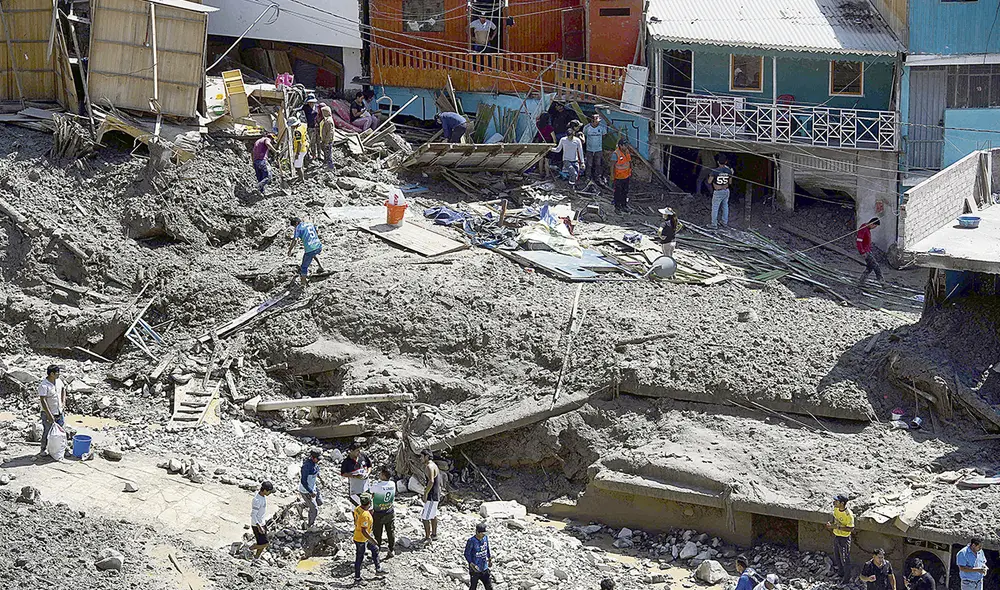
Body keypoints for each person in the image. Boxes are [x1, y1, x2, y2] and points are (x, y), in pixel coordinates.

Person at [352, 494, 385, 585]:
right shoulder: (365, 515)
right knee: (359, 558)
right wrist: (372, 539)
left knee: (375, 549)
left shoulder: (358, 508)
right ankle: (357, 579)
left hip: (359, 536)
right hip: (361, 539)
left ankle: (378, 569)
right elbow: (364, 531)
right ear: (369, 503)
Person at [826, 493, 855, 584]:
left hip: (844, 538)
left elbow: (851, 528)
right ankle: (840, 573)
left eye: (836, 501)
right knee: (837, 556)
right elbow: (834, 519)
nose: (834, 502)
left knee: (845, 558)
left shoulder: (848, 515)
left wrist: (838, 528)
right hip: (837, 536)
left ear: (842, 503)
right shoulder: (836, 509)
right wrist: (830, 524)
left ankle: (846, 578)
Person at [288, 216, 324, 288]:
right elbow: (316, 230)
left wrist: (290, 250)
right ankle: (321, 267)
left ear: (296, 223)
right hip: (319, 246)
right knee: (313, 254)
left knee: (304, 267)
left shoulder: (298, 228)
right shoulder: (309, 224)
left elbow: (295, 240)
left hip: (310, 249)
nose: (295, 227)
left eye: (294, 226)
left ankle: (303, 284)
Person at [38, 364, 65, 457]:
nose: (59, 374)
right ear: (51, 374)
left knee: (60, 431)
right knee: (47, 431)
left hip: (59, 411)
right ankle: (43, 449)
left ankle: (59, 448)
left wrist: (63, 402)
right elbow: (43, 400)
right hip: (48, 413)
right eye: (57, 372)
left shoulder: (58, 381)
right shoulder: (44, 385)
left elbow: (63, 389)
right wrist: (49, 415)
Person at [370, 467, 396, 558]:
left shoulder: (377, 485)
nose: (379, 475)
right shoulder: (392, 484)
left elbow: (371, 491)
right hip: (389, 510)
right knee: (390, 531)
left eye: (380, 473)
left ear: (384, 476)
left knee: (377, 532)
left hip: (378, 512)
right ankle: (391, 549)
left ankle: (377, 550)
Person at [340, 441, 372, 506]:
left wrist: (367, 473)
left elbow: (369, 466)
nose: (359, 452)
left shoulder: (363, 456)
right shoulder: (346, 462)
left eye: (360, 450)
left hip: (366, 488)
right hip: (355, 490)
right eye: (357, 450)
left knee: (368, 507)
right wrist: (354, 476)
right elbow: (343, 473)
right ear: (351, 451)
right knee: (356, 507)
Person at [420, 449, 442, 543]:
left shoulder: (429, 466)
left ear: (427, 456)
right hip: (435, 494)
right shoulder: (434, 465)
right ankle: (434, 534)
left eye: (422, 456)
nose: (420, 458)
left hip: (432, 496)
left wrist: (425, 494)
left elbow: (431, 481)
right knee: (433, 515)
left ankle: (428, 537)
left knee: (425, 517)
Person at [706, 153, 733, 229]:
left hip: (718, 191)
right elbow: (730, 182)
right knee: (725, 206)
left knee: (715, 208)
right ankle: (724, 222)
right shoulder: (729, 171)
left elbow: (709, 182)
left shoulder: (715, 171)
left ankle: (714, 224)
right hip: (726, 191)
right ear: (726, 162)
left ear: (717, 162)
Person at [856, 217, 884, 288]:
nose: (874, 228)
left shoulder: (867, 229)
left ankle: (861, 282)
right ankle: (881, 281)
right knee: (875, 265)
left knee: (870, 267)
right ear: (872, 223)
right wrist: (862, 252)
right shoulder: (863, 229)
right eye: (875, 226)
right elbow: (859, 241)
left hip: (868, 250)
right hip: (865, 251)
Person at [249, 481, 274, 560]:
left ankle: (256, 558)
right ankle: (249, 549)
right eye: (269, 491)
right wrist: (259, 526)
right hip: (257, 525)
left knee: (262, 543)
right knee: (265, 544)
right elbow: (253, 515)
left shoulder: (262, 496)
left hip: (261, 523)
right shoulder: (257, 500)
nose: (270, 493)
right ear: (265, 490)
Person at [465, 522, 493, 590]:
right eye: (482, 533)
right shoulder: (471, 541)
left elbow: (487, 548)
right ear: (477, 532)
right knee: (473, 587)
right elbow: (466, 554)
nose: (484, 535)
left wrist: (489, 559)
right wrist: (471, 564)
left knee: (489, 587)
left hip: (484, 567)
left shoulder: (485, 538)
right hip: (475, 570)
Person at [298, 449, 323, 528]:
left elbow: (316, 471)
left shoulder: (315, 464)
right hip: (306, 490)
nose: (319, 460)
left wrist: (321, 479)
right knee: (314, 509)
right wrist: (310, 491)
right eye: (317, 459)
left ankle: (301, 505)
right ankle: (309, 525)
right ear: (312, 457)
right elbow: (303, 481)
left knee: (320, 502)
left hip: (313, 486)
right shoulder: (306, 467)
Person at [583, 113, 608, 187]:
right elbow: (585, 136)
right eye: (597, 119)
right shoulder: (587, 127)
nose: (598, 121)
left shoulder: (602, 128)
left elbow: (604, 136)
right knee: (589, 164)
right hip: (589, 149)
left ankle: (598, 177)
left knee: (598, 164)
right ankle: (588, 177)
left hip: (598, 149)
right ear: (592, 120)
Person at [612, 137, 632, 212]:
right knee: (618, 192)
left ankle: (624, 205)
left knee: (625, 191)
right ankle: (617, 207)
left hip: (626, 176)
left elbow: (629, 162)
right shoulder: (616, 153)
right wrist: (612, 176)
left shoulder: (627, 151)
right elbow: (612, 165)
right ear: (620, 145)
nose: (626, 146)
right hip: (618, 177)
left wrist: (630, 172)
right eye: (625, 145)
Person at [289, 116, 308, 183]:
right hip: (304, 147)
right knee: (300, 164)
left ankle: (302, 180)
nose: (291, 127)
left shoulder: (297, 131)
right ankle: (301, 178)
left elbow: (299, 143)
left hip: (300, 150)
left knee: (297, 167)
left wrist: (297, 153)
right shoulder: (302, 126)